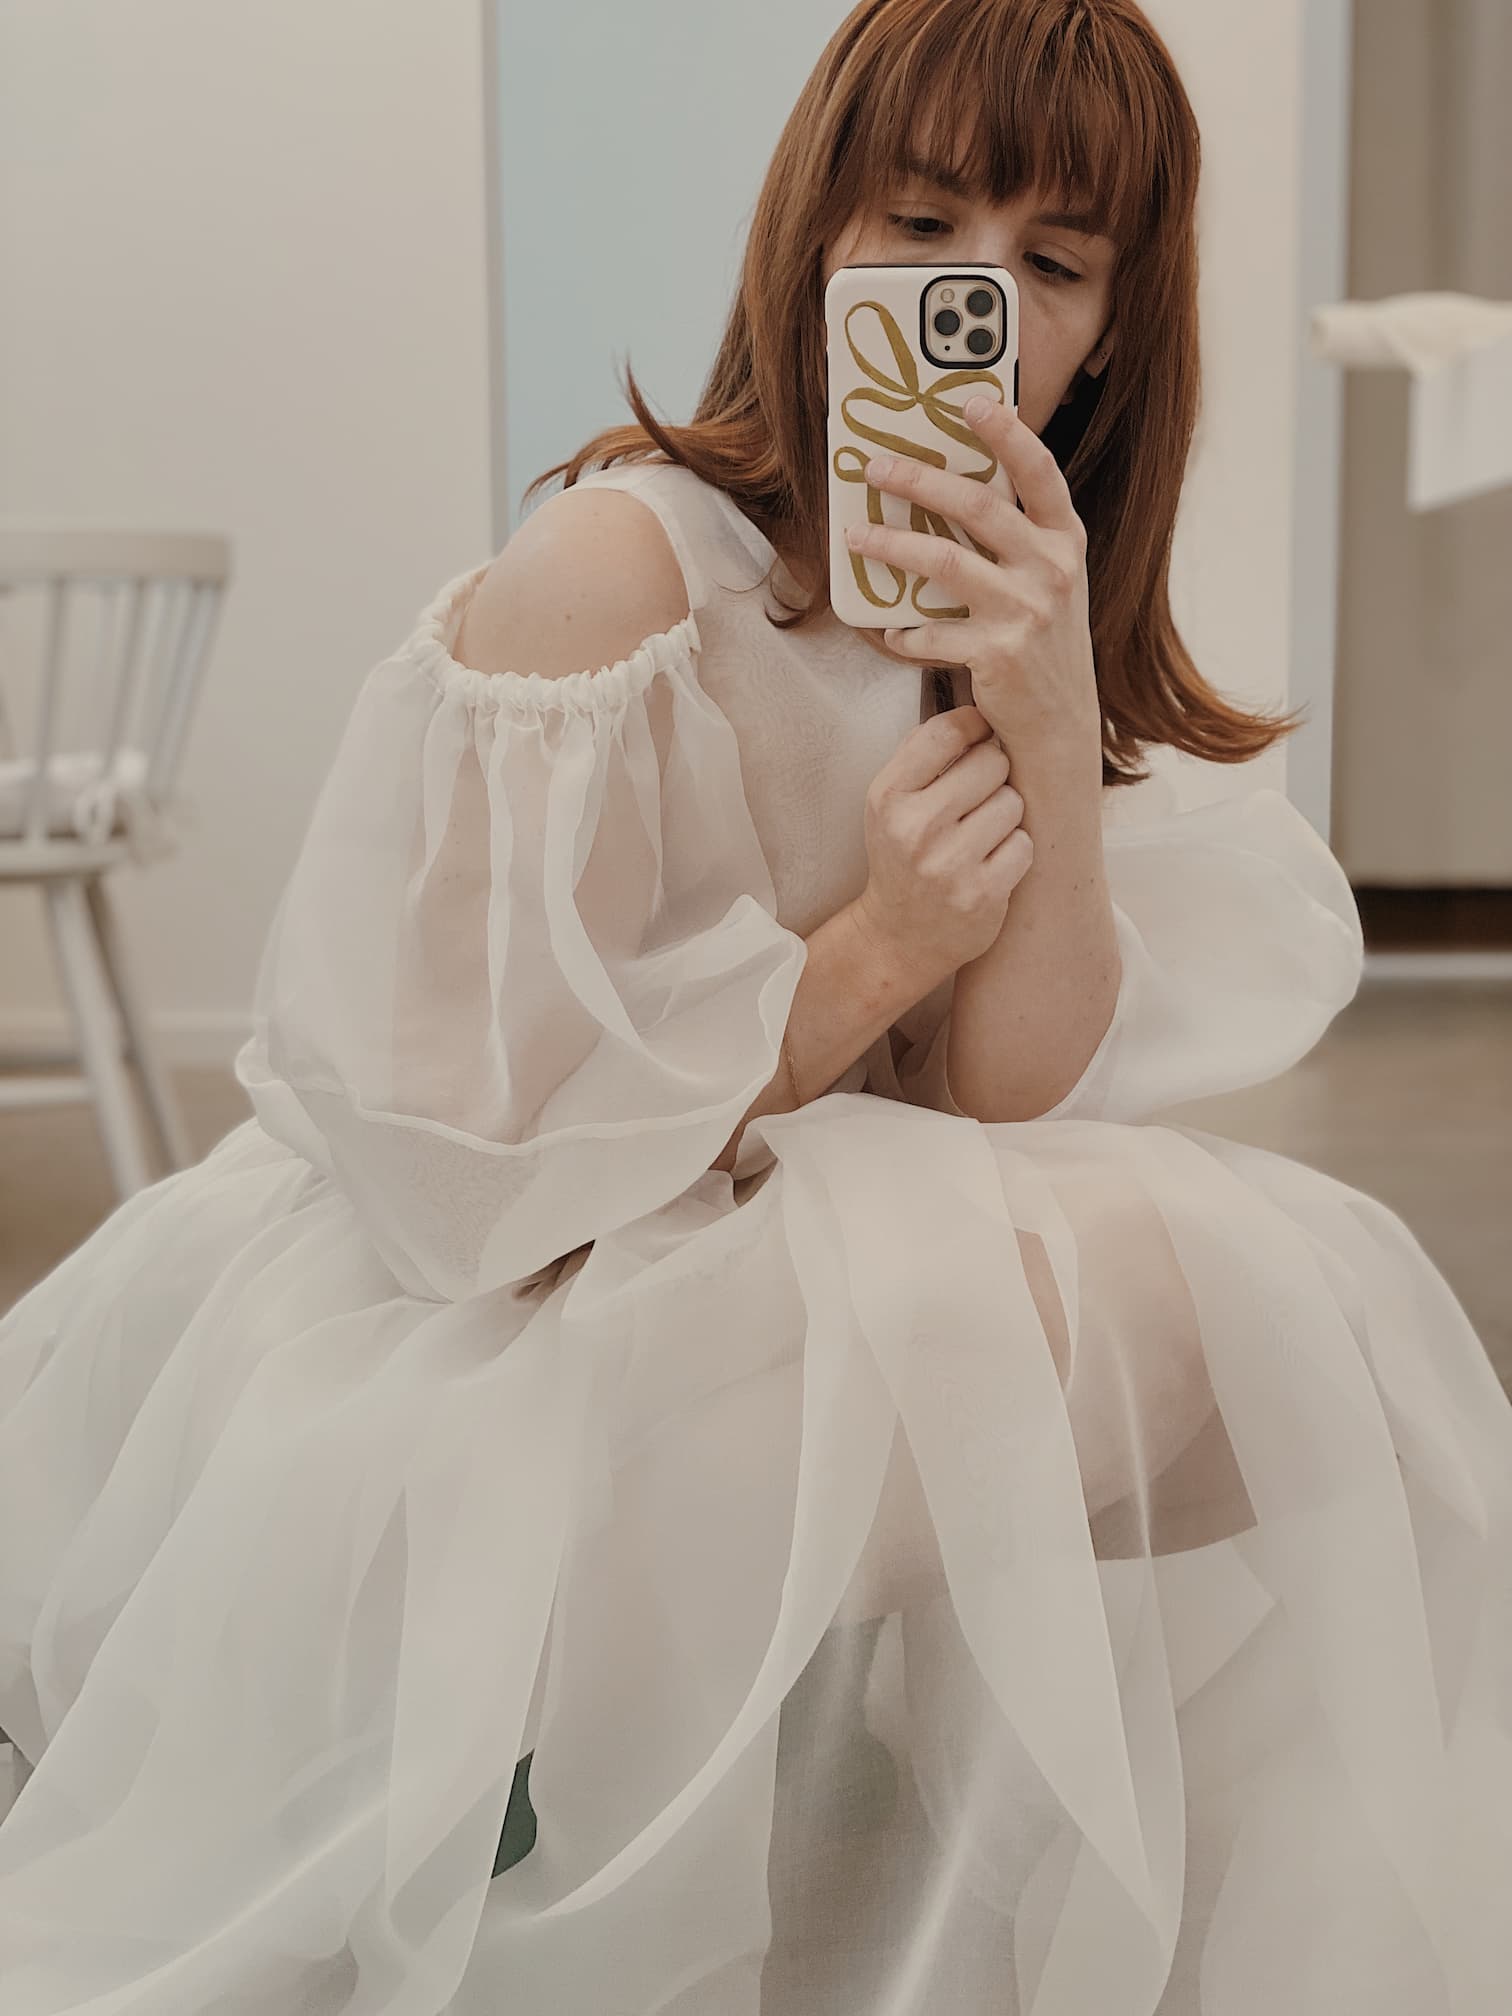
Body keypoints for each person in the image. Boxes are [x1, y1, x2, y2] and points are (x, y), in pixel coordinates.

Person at [2, 0, 1510, 2008]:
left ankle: (752, 1791)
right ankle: (496, 1778)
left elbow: (1007, 1104)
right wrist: (872, 949)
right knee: (1114, 1300)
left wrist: (1051, 730)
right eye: (918, 227)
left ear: (1110, 336)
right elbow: (475, 1192)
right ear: (813, 241)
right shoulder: (617, 583)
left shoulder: (1005, 615)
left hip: (742, 1264)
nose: (974, 296)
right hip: (483, 1317)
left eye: (1051, 267)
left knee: (1280, 1308)